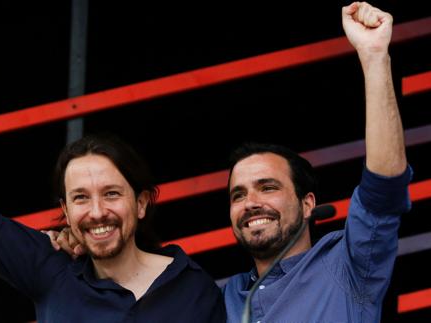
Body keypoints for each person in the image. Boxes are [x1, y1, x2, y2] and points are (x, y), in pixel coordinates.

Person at [48, 2, 412, 322]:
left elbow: (384, 186)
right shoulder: (221, 298)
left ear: (307, 204)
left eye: (268, 187)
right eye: (238, 195)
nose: (251, 202)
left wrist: (375, 57)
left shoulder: (348, 265)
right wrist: (84, 243)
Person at [0, 69, 226, 321]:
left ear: (141, 203)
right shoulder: (51, 269)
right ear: (64, 208)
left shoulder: (194, 287)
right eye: (80, 198)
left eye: (111, 194)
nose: (96, 211)